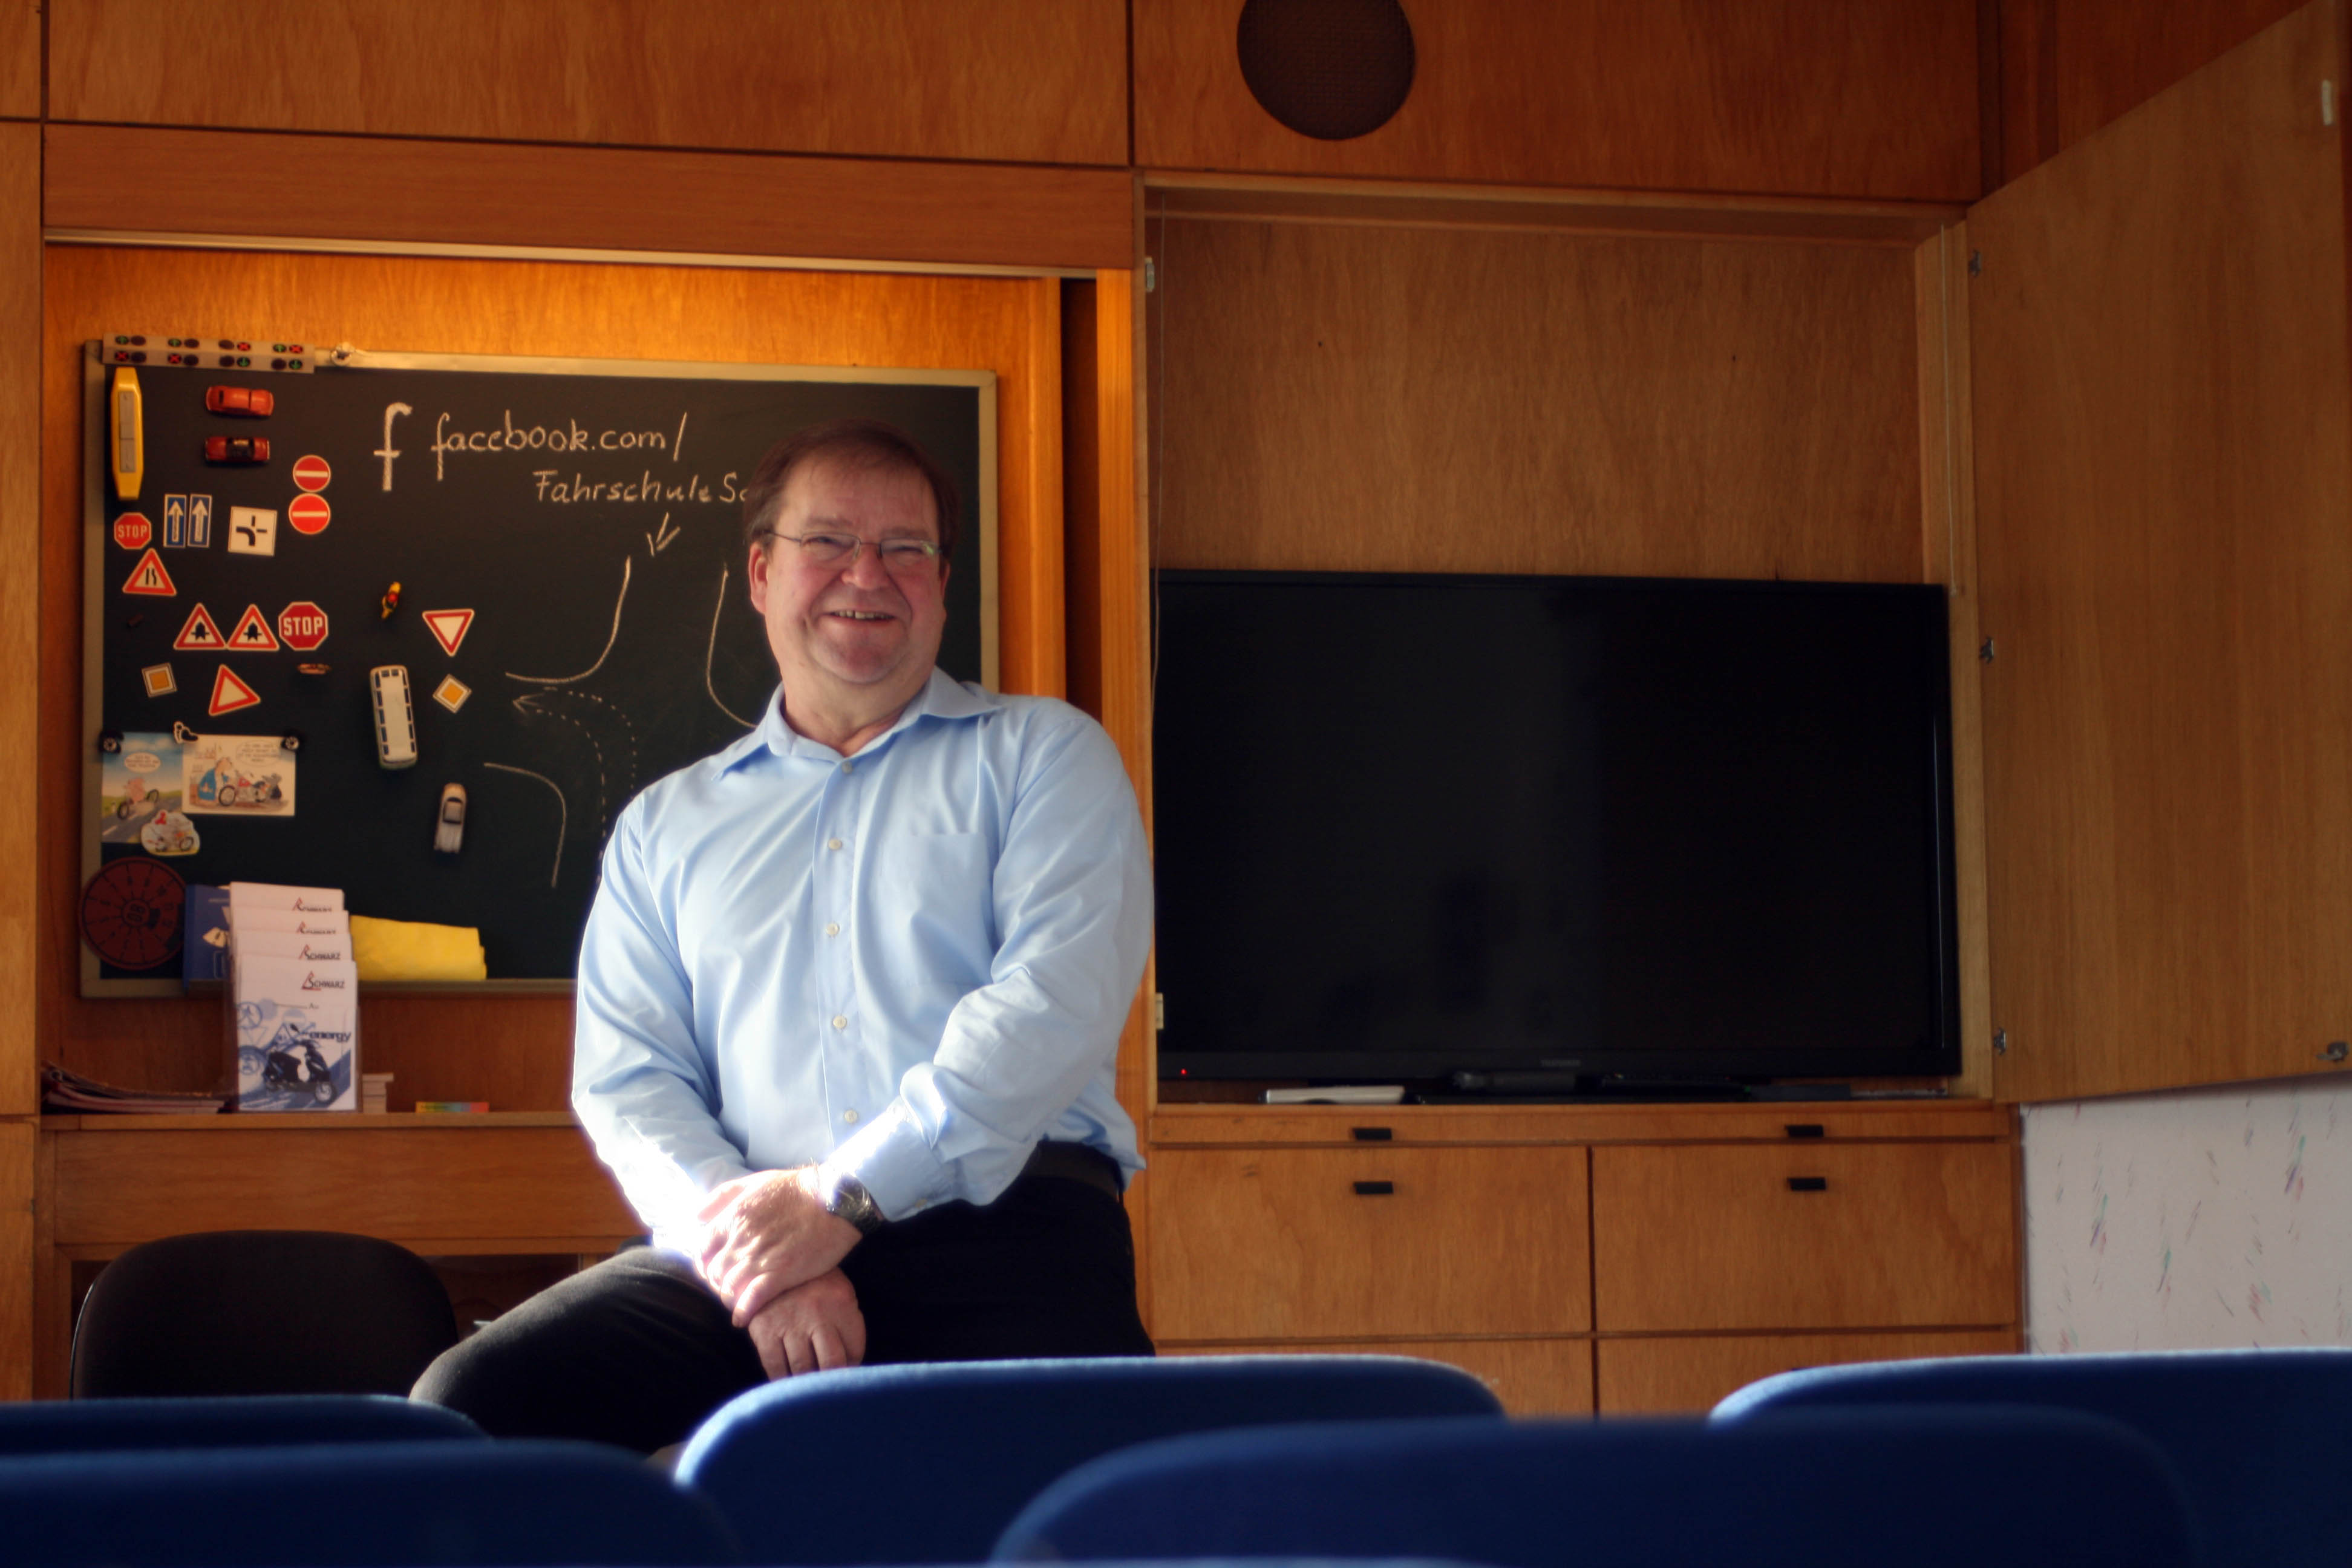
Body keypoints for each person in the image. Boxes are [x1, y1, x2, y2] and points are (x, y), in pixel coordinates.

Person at [413, 419, 1154, 1452]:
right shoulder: (666, 827)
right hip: (744, 1238)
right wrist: (760, 1257)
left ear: (943, 584)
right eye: (830, 541)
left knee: (1058, 1481)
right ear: (761, 573)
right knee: (474, 1401)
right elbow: (628, 1081)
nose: (868, 574)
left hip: (1005, 1228)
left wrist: (839, 1201)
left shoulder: (1046, 758)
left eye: (906, 548)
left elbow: (1051, 1008)